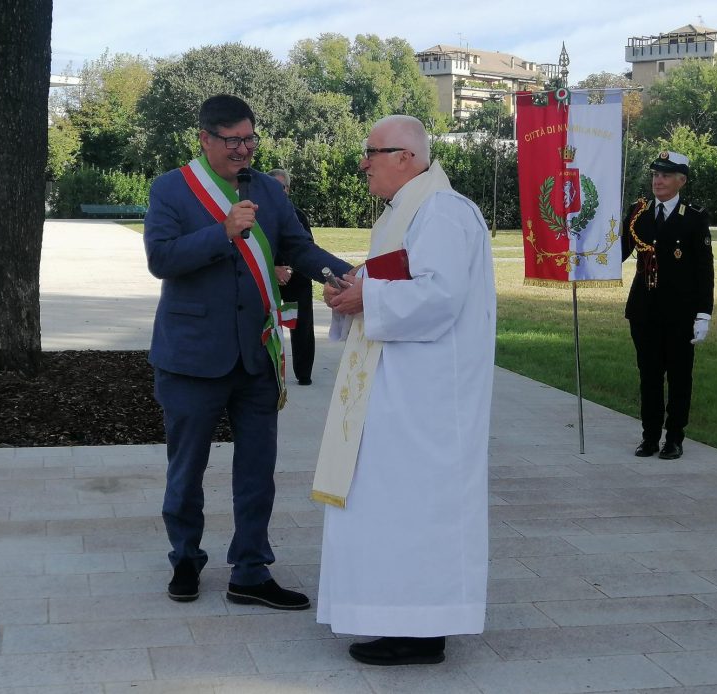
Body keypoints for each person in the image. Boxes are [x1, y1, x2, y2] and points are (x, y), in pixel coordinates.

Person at [144, 94, 352, 610]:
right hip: (191, 357)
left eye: (250, 139)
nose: (243, 150)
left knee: (258, 470)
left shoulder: (268, 191)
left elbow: (297, 247)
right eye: (232, 140)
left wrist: (344, 275)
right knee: (186, 470)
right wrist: (223, 231)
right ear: (205, 139)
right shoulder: (171, 188)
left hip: (256, 355)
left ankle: (251, 570)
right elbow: (161, 259)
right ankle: (186, 558)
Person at [316, 115, 496, 665]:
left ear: (408, 157)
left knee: (418, 508)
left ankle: (422, 631)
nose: (363, 162)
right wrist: (357, 288)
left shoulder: (441, 211)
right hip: (401, 387)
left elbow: (439, 297)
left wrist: (368, 298)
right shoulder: (412, 210)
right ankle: (395, 616)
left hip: (428, 397)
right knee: (391, 505)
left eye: (373, 152)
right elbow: (404, 279)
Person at [622, 151, 714, 460]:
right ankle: (649, 437)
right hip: (644, 311)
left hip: (679, 313)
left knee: (678, 377)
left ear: (681, 180)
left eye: (664, 175)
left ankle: (674, 437)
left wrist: (703, 314)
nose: (657, 180)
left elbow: (704, 270)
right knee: (648, 375)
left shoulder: (694, 217)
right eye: (655, 175)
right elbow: (617, 251)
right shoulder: (639, 212)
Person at [268, 168, 316, 386]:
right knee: (264, 324)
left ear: (287, 189)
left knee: (301, 325)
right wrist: (273, 269)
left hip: (296, 278)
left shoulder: (299, 216)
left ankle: (303, 373)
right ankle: (265, 369)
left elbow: (307, 249)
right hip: (268, 278)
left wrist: (288, 270)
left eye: (282, 187)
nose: (278, 191)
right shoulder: (255, 215)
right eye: (273, 187)